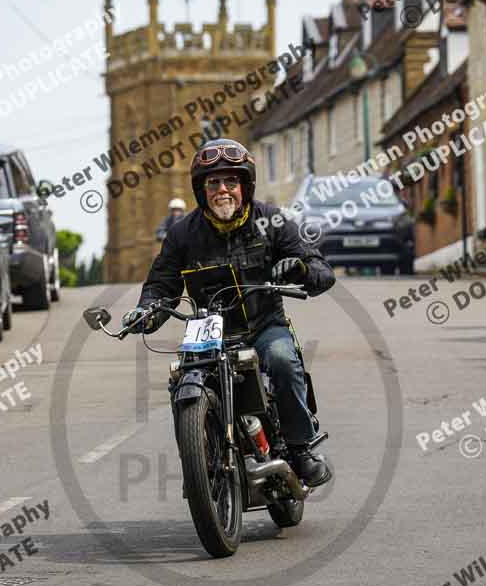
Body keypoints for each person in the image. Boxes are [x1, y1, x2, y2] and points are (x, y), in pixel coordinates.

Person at [122, 139, 335, 486]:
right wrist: (146, 311)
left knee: (281, 358)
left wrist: (298, 269)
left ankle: (300, 448)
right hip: (208, 333)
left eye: (230, 182)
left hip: (264, 325)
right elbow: (161, 286)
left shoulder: (272, 221)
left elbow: (320, 270)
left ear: (245, 186)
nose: (223, 190)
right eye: (213, 183)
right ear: (201, 190)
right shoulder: (181, 235)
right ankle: (200, 462)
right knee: (181, 381)